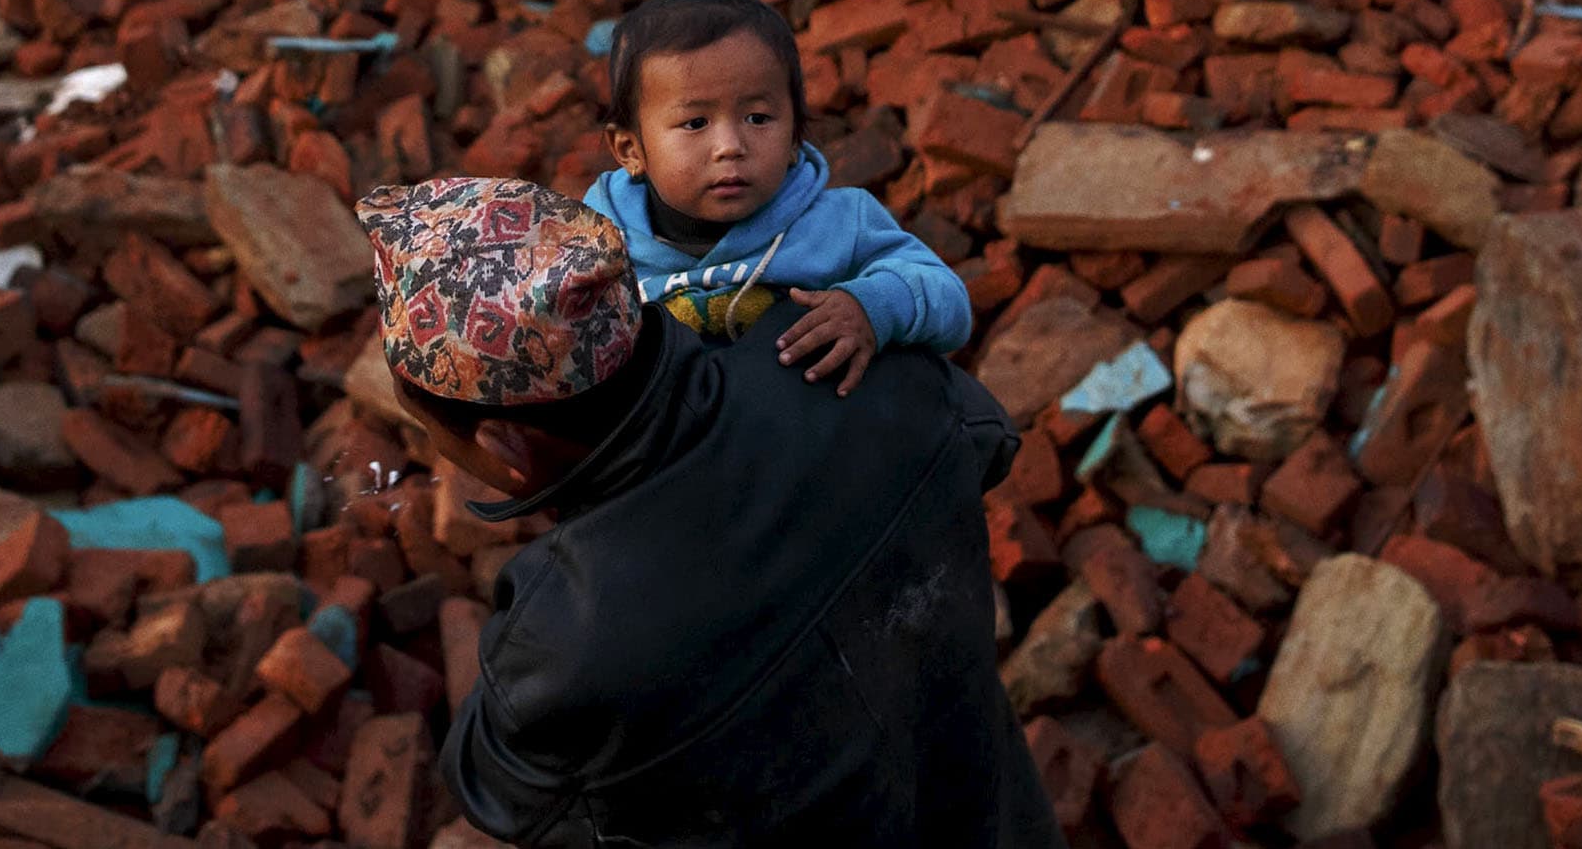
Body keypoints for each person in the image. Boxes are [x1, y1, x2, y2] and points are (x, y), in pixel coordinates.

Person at [357, 172, 1062, 849]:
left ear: (505, 441)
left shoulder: (564, 637)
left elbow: (492, 788)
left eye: (433, 434)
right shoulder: (861, 363)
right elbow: (986, 440)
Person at [582, 0, 972, 393]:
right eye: (696, 123)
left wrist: (870, 307)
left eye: (758, 118)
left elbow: (950, 302)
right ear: (630, 150)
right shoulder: (595, 250)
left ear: (794, 138)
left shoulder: (839, 223)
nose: (730, 146)